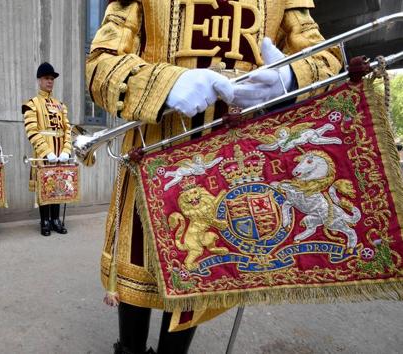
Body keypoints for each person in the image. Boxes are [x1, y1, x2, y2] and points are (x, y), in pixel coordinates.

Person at [86, 1, 343, 353]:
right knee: (140, 267)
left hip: (233, 163)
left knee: (203, 268)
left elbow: (329, 58)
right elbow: (101, 64)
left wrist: (288, 78)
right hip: (154, 154)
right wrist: (165, 84)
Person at [22, 62, 72, 236]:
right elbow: (31, 130)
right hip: (44, 154)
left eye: (52, 79)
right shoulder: (31, 104)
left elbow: (67, 129)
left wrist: (66, 150)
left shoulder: (61, 106)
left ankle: (55, 220)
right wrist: (46, 152)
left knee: (57, 186)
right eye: (46, 78)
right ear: (39, 80)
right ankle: (44, 221)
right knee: (45, 186)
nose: (49, 81)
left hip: (60, 153)